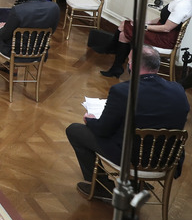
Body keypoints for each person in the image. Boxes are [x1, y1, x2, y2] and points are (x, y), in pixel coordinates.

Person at [66, 45, 189, 201]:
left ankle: (101, 186)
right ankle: (136, 183)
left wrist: (90, 120)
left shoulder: (123, 91)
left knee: (75, 130)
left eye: (129, 60)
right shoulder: (178, 90)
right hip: (166, 159)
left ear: (134, 65)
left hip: (132, 158)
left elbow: (103, 130)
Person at [101, 0, 192, 78]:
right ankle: (115, 63)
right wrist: (145, 22)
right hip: (161, 34)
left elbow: (167, 28)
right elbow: (163, 18)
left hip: (164, 39)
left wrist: (143, 27)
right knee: (123, 32)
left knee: (124, 27)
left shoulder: (182, 5)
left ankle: (112, 51)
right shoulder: (180, 1)